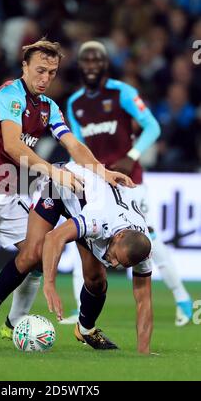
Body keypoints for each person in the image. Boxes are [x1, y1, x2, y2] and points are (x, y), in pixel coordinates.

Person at [0, 38, 132, 351]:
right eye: (39, 70)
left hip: (10, 190)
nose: (45, 78)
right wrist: (53, 171)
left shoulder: (49, 107)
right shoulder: (10, 95)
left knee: (35, 254)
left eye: (51, 72)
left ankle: (13, 325)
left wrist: (102, 171)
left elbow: (73, 144)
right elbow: (12, 144)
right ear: (24, 67)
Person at [60, 40, 192, 326]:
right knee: (82, 237)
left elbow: (152, 126)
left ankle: (182, 298)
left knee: (149, 240)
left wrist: (131, 156)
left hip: (130, 182)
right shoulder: (75, 103)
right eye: (86, 61)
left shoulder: (122, 92)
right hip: (97, 182)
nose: (92, 65)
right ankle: (80, 310)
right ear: (81, 66)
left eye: (97, 60)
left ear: (105, 64)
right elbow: (78, 145)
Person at [41, 162, 153, 353]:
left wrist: (144, 352)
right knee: (33, 255)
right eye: (117, 257)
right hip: (65, 185)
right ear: (119, 237)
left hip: (89, 204)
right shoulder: (99, 219)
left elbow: (144, 301)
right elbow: (53, 238)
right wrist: (50, 284)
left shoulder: (142, 250)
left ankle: (84, 329)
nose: (114, 263)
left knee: (96, 280)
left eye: (121, 265)